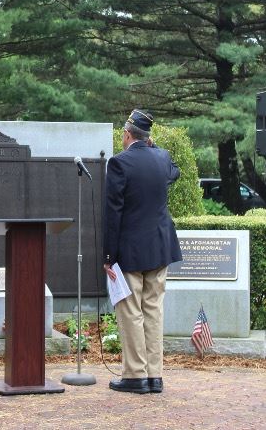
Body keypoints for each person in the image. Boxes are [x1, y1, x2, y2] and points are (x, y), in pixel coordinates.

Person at [103, 109, 182, 394]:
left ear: (126, 135)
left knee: (130, 311)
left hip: (131, 251)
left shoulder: (119, 163)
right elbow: (174, 170)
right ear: (147, 137)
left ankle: (136, 375)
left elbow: (113, 213)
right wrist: (152, 143)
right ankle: (155, 376)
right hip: (160, 247)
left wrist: (108, 256)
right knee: (153, 310)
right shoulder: (162, 159)